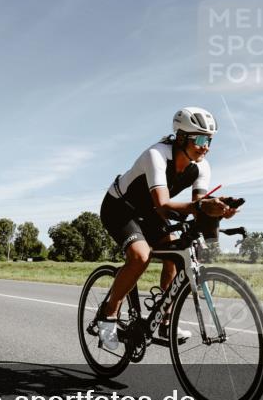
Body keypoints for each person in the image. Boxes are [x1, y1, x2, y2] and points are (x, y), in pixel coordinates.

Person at [97, 107, 237, 352]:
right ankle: (108, 315)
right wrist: (201, 207)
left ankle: (165, 321)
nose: (206, 146)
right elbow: (164, 203)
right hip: (121, 207)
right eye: (201, 139)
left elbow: (197, 208)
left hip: (151, 212)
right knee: (140, 256)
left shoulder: (202, 167)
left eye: (210, 141)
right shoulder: (157, 155)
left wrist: (218, 212)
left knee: (176, 254)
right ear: (182, 137)